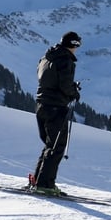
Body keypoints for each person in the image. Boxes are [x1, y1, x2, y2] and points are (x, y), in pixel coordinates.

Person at [30, 31, 82, 195]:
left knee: (50, 145)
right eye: (77, 45)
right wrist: (74, 92)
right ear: (74, 44)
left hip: (41, 105)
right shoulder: (65, 60)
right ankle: (45, 184)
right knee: (57, 146)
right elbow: (65, 85)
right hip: (55, 107)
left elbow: (48, 79)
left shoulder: (47, 57)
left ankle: (39, 180)